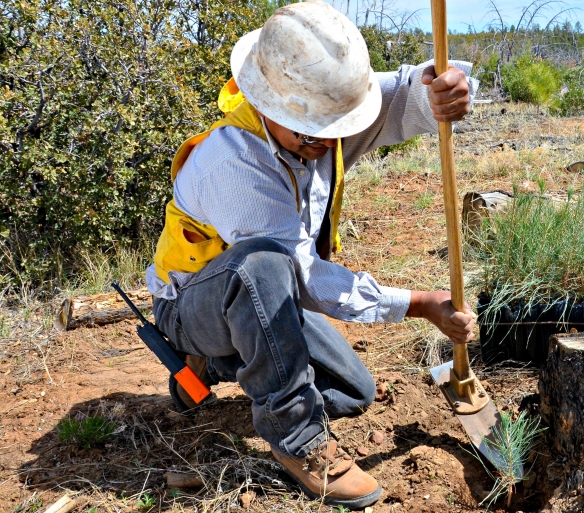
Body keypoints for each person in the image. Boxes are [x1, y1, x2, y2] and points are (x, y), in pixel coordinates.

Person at [145, 1, 478, 508]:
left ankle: (213, 364)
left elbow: (405, 94)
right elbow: (301, 276)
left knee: (353, 391)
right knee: (261, 265)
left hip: (261, 301)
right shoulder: (234, 160)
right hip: (193, 304)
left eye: (335, 125)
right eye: (310, 130)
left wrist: (441, 88)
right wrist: (417, 303)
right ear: (268, 105)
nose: (325, 139)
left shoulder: (324, 114)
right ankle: (298, 439)